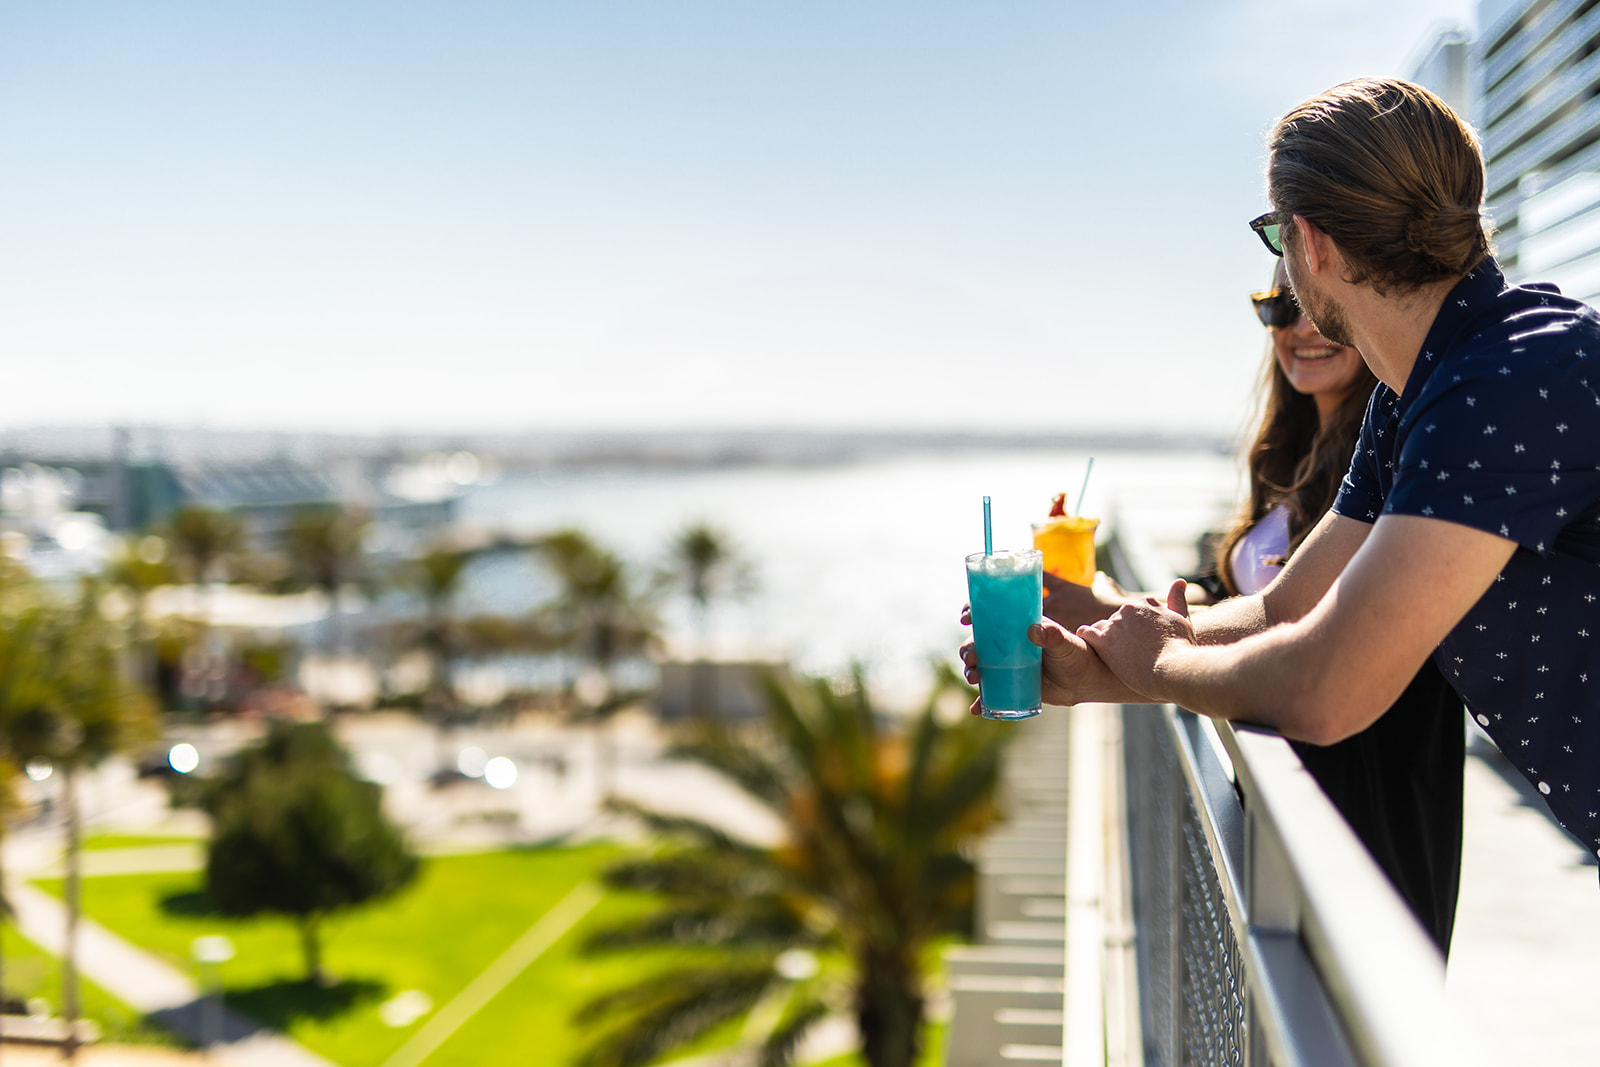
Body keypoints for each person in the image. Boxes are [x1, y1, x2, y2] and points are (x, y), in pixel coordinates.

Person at [963, 77, 1600, 884]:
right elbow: (1285, 608)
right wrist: (1107, 666)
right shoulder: (1421, 391)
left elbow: (1331, 685)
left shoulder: (1503, 376)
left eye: (1275, 237)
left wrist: (1159, 664)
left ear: (1313, 242)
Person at [1040, 260, 1464, 951]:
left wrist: (1115, 651)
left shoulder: (1389, 459)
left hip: (1366, 784)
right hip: (1280, 778)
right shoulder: (1285, 455)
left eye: (1316, 304)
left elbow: (1301, 623)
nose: (1300, 328)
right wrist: (1113, 608)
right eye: (1277, 309)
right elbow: (1240, 598)